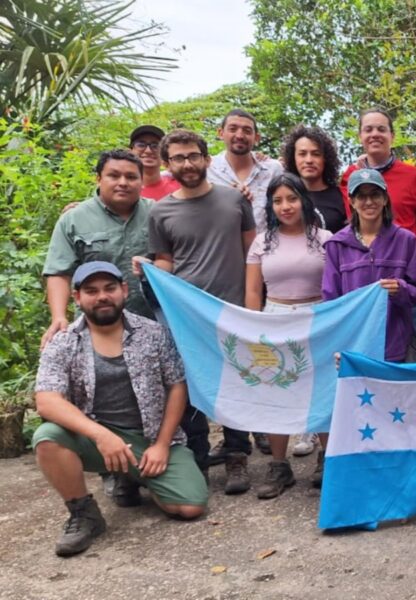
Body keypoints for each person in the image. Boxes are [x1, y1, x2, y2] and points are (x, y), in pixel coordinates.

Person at [32, 262, 207, 557]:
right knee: (47, 437)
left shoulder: (153, 333)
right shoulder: (63, 342)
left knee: (189, 506)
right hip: (96, 437)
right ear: (77, 298)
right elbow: (47, 400)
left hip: (150, 437)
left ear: (123, 290)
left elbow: (177, 386)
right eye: (91, 291)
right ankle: (83, 513)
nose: (102, 296)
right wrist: (101, 436)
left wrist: (163, 445)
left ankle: (134, 474)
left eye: (109, 288)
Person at [141, 128, 258, 495]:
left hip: (234, 311)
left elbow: (252, 254)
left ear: (207, 159)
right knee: (192, 387)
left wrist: (256, 309)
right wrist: (147, 270)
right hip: (187, 317)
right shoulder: (161, 213)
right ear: (167, 164)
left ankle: (238, 453)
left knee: (238, 382)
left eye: (193, 155)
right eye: (178, 158)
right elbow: (166, 262)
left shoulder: (234, 201)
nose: (187, 163)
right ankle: (199, 456)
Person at [320, 168, 416, 485]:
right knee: (360, 413)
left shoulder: (405, 240)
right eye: (361, 195)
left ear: (384, 199)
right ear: (351, 201)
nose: (369, 201)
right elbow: (330, 300)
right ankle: (362, 477)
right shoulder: (337, 245)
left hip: (394, 343)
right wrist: (338, 345)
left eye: (375, 194)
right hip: (355, 347)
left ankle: (394, 474)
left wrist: (401, 290)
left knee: (393, 411)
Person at [245, 173, 333, 498]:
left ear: (303, 200)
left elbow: (335, 286)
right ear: (270, 204)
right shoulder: (262, 241)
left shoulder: (324, 238)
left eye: (291, 198)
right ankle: (279, 466)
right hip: (274, 322)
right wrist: (253, 328)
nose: (285, 206)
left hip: (317, 319)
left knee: (321, 390)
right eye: (278, 200)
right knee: (275, 393)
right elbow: (253, 289)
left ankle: (327, 459)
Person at [42, 150, 153, 349]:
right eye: (113, 175)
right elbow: (59, 272)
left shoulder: (158, 214)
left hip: (153, 322)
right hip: (94, 325)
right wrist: (58, 316)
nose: (123, 182)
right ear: (98, 179)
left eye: (131, 177)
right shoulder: (73, 219)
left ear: (141, 181)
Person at [339, 108, 416, 255]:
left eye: (381, 129)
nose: (375, 134)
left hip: (405, 267)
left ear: (392, 136)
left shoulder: (414, 176)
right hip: (364, 266)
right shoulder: (349, 176)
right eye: (368, 130)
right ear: (360, 136)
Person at [207, 108, 284, 230]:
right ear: (221, 133)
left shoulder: (273, 169)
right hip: (219, 246)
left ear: (256, 137)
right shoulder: (207, 168)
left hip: (265, 247)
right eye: (233, 129)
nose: (240, 135)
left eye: (247, 131)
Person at [281, 125, 349, 233]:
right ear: (293, 158)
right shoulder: (282, 196)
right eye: (302, 154)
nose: (309, 160)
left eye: (316, 154)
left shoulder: (342, 197)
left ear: (325, 158)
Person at [128, 125, 180, 200]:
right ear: (130, 151)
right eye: (141, 145)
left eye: (155, 145)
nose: (148, 151)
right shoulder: (123, 190)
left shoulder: (181, 186)